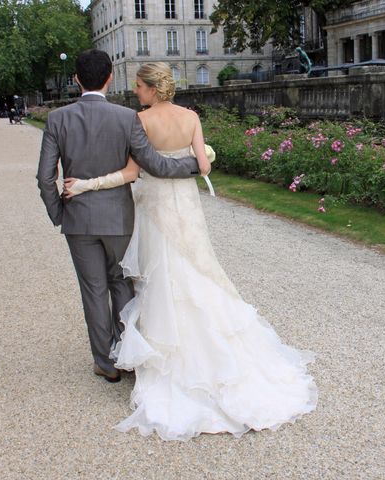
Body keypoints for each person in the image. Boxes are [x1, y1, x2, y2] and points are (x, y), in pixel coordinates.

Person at [63, 62, 317, 441]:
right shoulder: (192, 117)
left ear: (151, 88)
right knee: (197, 268)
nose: (136, 92)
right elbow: (202, 165)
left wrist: (85, 185)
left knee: (157, 275)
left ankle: (164, 355)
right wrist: (187, 163)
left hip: (153, 207)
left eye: (139, 87)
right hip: (185, 206)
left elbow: (134, 172)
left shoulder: (141, 120)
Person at [36, 50, 201, 385]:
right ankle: (128, 356)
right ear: (110, 77)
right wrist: (195, 164)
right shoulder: (127, 118)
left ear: (76, 79)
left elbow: (44, 177)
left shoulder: (57, 118)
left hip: (78, 221)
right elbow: (155, 165)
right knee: (122, 282)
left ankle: (105, 362)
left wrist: (59, 213)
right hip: (118, 219)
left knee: (93, 290)